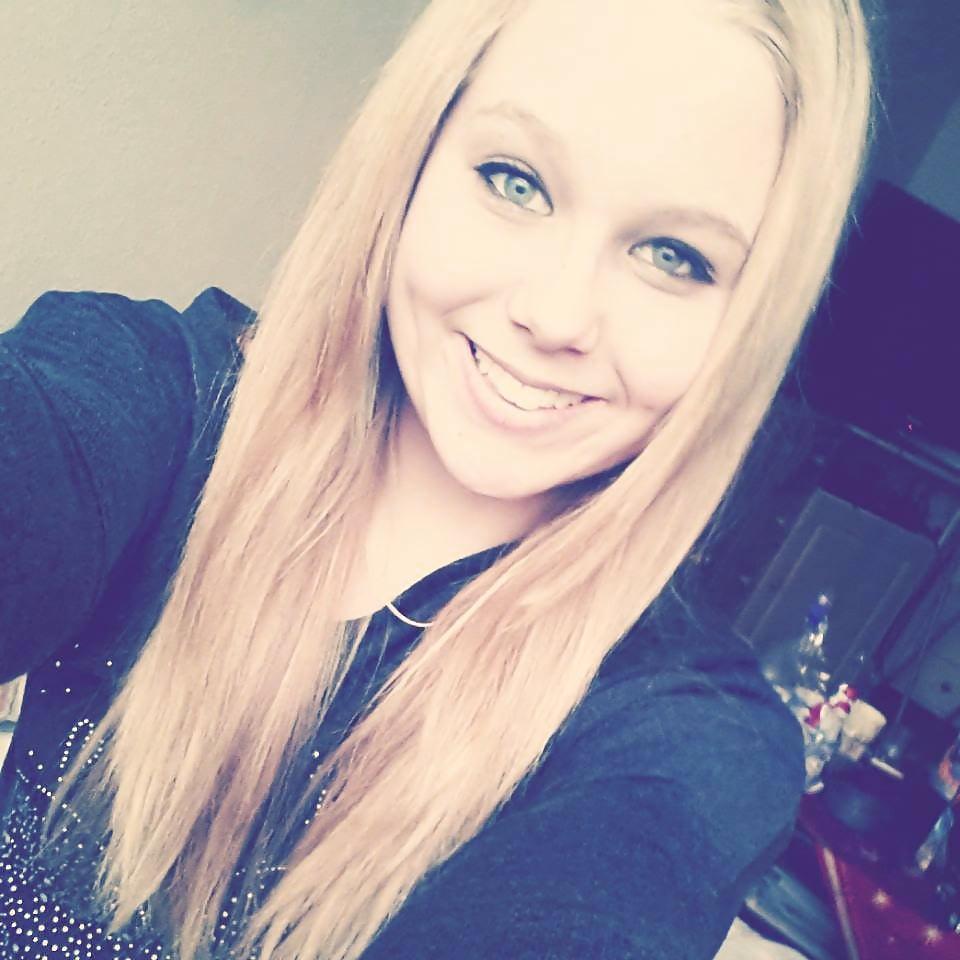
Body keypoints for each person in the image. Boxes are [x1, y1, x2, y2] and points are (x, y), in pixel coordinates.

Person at [0, 0, 873, 957]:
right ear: (409, 162)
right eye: (516, 181)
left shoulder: (684, 742)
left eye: (675, 257)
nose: (555, 314)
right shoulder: (157, 394)